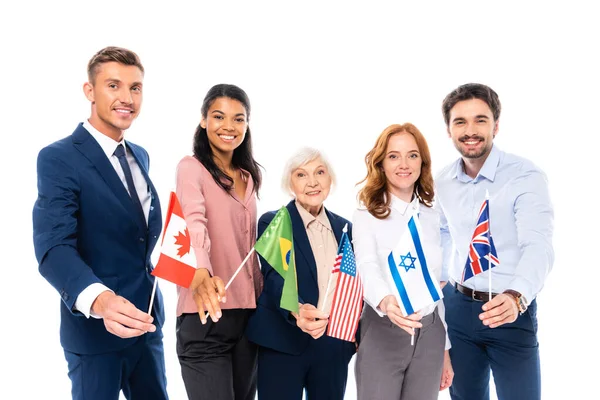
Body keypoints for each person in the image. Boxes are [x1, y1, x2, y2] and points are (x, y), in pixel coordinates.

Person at [32, 46, 167, 400]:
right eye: (114, 85)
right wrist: (102, 301)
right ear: (89, 91)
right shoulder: (58, 158)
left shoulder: (141, 155)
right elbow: (53, 248)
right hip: (94, 335)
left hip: (148, 325)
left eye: (135, 88)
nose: (127, 98)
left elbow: (136, 238)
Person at [436, 83, 554, 400]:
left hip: (510, 308)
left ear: (496, 126)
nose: (470, 130)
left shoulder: (525, 175)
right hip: (458, 309)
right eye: (460, 121)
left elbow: (538, 245)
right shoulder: (442, 181)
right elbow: (440, 236)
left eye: (480, 120)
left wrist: (517, 296)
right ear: (448, 130)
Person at [174, 83, 263, 400]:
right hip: (205, 316)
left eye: (239, 119)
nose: (229, 126)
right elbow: (192, 221)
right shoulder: (191, 168)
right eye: (219, 116)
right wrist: (201, 271)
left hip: (247, 317)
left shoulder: (248, 176)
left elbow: (249, 247)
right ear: (203, 120)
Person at [245, 147, 356, 400]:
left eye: (320, 172)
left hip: (332, 345)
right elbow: (274, 278)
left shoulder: (345, 228)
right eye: (301, 175)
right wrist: (297, 310)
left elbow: (353, 284)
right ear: (290, 184)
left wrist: (352, 339)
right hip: (283, 341)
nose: (312, 182)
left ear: (330, 179)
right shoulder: (275, 222)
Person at [353, 123, 454, 400]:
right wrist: (386, 301)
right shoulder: (366, 215)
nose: (404, 164)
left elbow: (436, 283)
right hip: (385, 330)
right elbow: (367, 265)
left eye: (412, 155)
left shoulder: (432, 216)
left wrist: (444, 347)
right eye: (394, 156)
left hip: (430, 335)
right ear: (381, 163)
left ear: (423, 162)